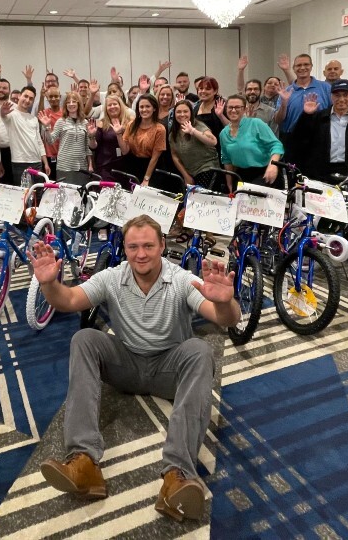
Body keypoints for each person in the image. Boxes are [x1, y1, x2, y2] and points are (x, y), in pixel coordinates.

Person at [30, 215, 239, 522]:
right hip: (126, 365)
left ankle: (176, 477)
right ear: (124, 249)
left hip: (170, 372)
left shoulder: (180, 279)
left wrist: (223, 303)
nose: (141, 254)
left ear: (162, 246)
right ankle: (83, 462)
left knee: (200, 349)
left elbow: (225, 318)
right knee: (85, 339)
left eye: (148, 246)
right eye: (133, 246)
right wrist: (50, 284)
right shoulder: (113, 277)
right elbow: (70, 299)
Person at [292, 80, 348, 182]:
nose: (341, 99)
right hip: (322, 174)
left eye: (346, 95)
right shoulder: (318, 117)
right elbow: (299, 140)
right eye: (337, 95)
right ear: (331, 97)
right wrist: (306, 115)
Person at [273, 54, 331, 159]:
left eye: (306, 64)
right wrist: (284, 103)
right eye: (299, 65)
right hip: (292, 140)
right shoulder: (286, 92)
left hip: (320, 138)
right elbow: (278, 120)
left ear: (311, 66)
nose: (302, 68)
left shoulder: (325, 87)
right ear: (294, 68)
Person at [220, 94, 284, 188]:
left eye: (238, 107)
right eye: (230, 107)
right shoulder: (223, 134)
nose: (233, 110)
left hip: (264, 173)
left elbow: (276, 145)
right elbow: (227, 160)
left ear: (245, 109)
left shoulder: (256, 124)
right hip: (240, 175)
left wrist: (273, 165)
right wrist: (230, 185)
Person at [1, 85, 49, 183]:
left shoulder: (34, 119)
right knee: (23, 195)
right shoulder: (11, 115)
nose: (27, 100)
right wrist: (2, 113)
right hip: (20, 163)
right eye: (25, 96)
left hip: (37, 162)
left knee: (38, 195)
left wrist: (46, 163)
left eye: (31, 99)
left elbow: (39, 142)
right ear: (19, 96)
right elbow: (4, 116)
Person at [41, 92, 92, 184]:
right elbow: (50, 140)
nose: (71, 104)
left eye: (74, 101)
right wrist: (47, 127)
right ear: (65, 105)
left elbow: (87, 147)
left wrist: (90, 164)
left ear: (78, 104)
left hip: (81, 166)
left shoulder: (85, 122)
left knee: (80, 195)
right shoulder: (61, 121)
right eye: (68, 102)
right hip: (64, 166)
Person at [168, 101, 221, 189]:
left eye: (185, 111)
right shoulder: (173, 134)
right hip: (190, 172)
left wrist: (193, 131)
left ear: (191, 113)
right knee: (181, 199)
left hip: (207, 168)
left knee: (197, 199)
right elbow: (175, 156)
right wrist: (186, 176)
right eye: (178, 112)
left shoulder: (198, 125)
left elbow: (213, 141)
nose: (182, 114)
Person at [117, 94, 166, 187]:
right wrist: (118, 134)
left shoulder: (160, 129)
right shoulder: (131, 125)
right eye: (141, 107)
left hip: (152, 168)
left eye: (147, 106)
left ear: (154, 108)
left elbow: (155, 158)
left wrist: (146, 178)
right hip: (133, 165)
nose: (144, 109)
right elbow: (124, 151)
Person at [93, 94, 133, 182]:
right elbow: (93, 147)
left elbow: (125, 151)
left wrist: (119, 134)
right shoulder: (101, 123)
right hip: (105, 168)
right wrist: (91, 136)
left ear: (120, 106)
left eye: (115, 104)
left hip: (125, 168)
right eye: (109, 105)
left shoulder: (129, 123)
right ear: (106, 109)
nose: (112, 107)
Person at [39, 85, 64, 177]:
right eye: (50, 96)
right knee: (50, 183)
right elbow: (39, 115)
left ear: (60, 97)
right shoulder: (45, 113)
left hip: (62, 155)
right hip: (49, 155)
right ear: (47, 98)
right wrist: (41, 96)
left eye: (56, 96)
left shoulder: (65, 114)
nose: (53, 99)